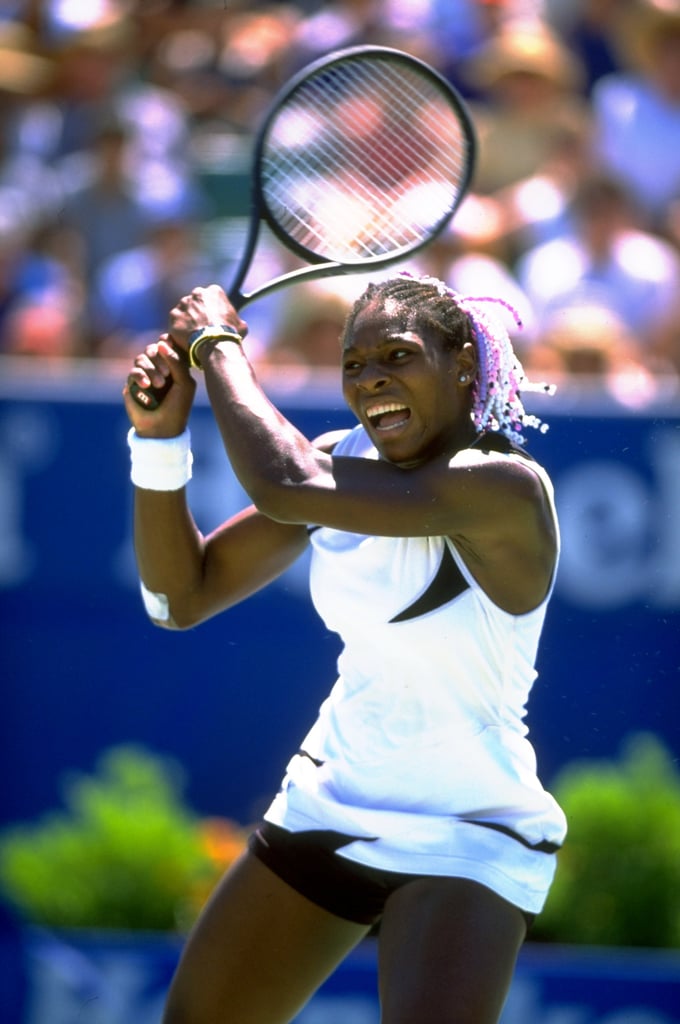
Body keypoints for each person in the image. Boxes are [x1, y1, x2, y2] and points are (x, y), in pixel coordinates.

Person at [123, 272, 567, 1024]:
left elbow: (286, 481)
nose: (372, 381)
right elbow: (179, 600)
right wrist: (157, 442)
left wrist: (218, 345)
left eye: (397, 356)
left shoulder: (504, 487)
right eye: (354, 366)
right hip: (329, 805)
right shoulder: (339, 460)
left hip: (470, 831)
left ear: (463, 364)